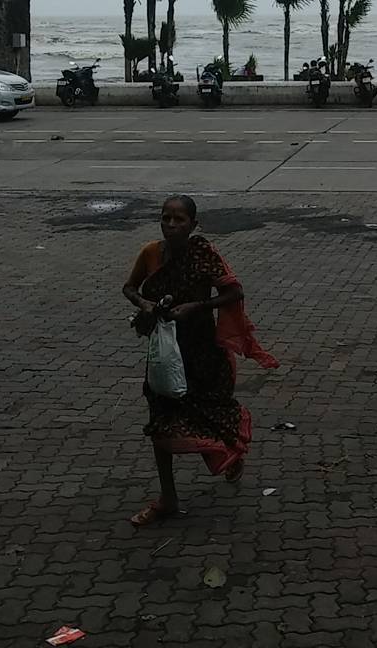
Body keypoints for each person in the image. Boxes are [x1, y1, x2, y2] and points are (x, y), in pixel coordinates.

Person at [123, 195, 278, 526]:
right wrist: (145, 305)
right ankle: (168, 497)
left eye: (179, 220)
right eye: (166, 218)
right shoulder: (151, 253)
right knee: (160, 418)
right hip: (166, 351)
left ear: (194, 225)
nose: (171, 225)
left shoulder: (204, 253)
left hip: (203, 351)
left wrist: (196, 306)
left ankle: (230, 451)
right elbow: (130, 288)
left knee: (210, 412)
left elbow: (233, 292)